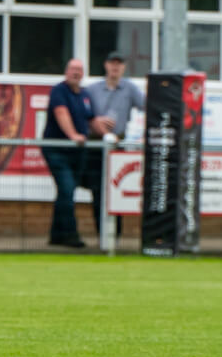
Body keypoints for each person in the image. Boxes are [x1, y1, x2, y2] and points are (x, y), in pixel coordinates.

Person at [84, 51, 145, 236]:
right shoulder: (92, 89)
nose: (115, 67)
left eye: (119, 64)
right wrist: (97, 121)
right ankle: (101, 233)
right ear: (106, 65)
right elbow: (83, 114)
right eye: (112, 63)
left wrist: (143, 135)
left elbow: (148, 107)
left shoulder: (129, 88)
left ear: (123, 67)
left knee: (117, 189)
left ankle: (115, 234)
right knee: (97, 190)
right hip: (96, 144)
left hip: (118, 144)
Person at [42, 58, 97, 248]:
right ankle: (70, 234)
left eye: (79, 70)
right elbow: (61, 113)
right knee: (66, 188)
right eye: (73, 69)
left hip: (77, 152)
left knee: (67, 191)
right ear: (66, 71)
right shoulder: (59, 91)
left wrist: (109, 135)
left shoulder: (85, 95)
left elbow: (92, 120)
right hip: (57, 150)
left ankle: (56, 235)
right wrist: (73, 135)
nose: (76, 73)